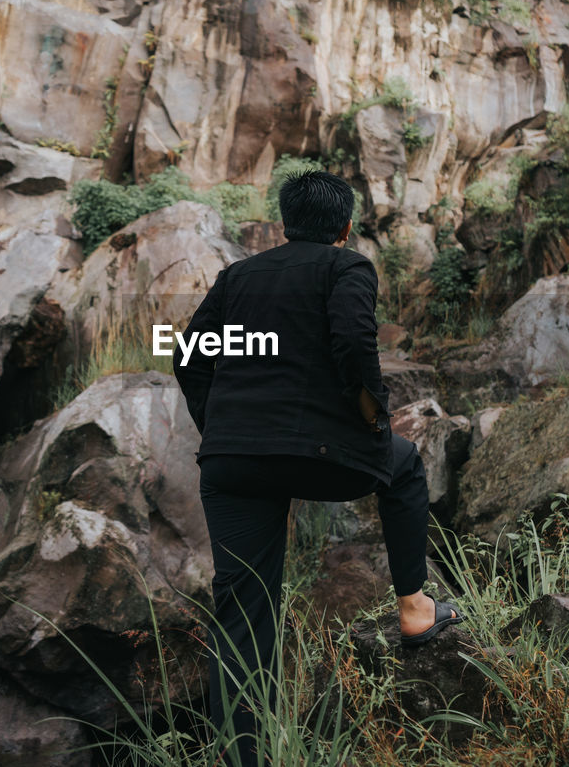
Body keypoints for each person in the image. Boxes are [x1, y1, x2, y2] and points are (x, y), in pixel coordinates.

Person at [172, 169, 463, 765]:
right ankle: (414, 609)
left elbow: (187, 355)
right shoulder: (347, 266)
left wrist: (222, 430)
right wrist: (374, 418)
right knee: (404, 468)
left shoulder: (237, 277)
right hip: (322, 455)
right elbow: (354, 343)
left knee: (243, 613)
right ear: (346, 227)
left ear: (284, 224)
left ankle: (241, 757)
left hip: (234, 463)